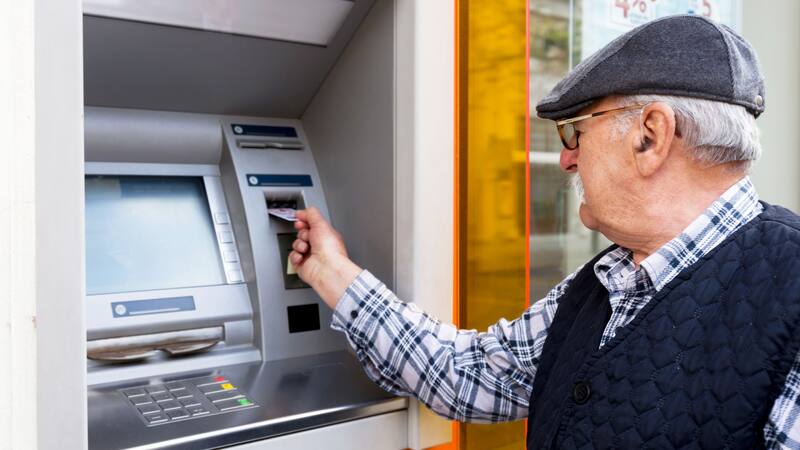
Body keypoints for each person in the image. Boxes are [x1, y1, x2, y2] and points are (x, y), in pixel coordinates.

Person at [289, 15, 800, 449]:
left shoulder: (790, 292)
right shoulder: (608, 281)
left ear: (651, 135)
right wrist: (332, 271)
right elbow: (467, 374)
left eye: (577, 131)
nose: (566, 158)